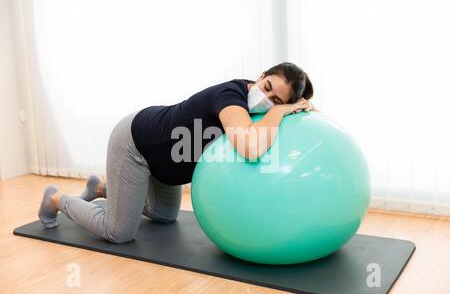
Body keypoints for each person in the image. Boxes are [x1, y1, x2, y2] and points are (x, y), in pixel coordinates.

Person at [37, 62, 316, 243]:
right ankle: (57, 198)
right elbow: (252, 148)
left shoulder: (256, 111)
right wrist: (280, 109)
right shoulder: (231, 97)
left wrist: (292, 109)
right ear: (262, 75)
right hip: (136, 144)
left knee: (165, 215)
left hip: (164, 165)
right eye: (267, 87)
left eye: (276, 100)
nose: (266, 98)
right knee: (119, 232)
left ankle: (101, 188)